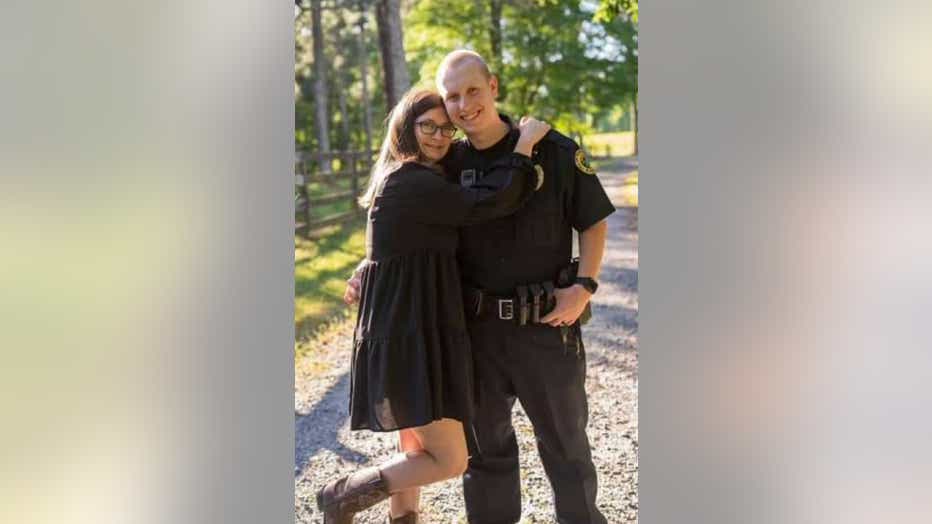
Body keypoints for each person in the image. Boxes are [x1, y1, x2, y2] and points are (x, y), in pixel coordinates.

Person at [347, 50, 614, 523]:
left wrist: (585, 285)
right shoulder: (447, 161)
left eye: (472, 90)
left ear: (492, 86)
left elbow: (592, 221)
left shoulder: (552, 149)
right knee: (486, 455)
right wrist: (371, 267)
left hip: (546, 328)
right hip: (473, 334)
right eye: (452, 97)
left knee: (567, 450)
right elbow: (404, 217)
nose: (464, 104)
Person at [316, 86, 551, 524]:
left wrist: (365, 266)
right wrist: (522, 147)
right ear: (407, 126)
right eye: (429, 126)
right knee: (450, 459)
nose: (440, 136)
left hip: (414, 330)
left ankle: (400, 518)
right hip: (408, 334)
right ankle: (341, 495)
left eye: (446, 127)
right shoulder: (411, 179)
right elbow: (489, 201)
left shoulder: (414, 177)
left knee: (416, 446)